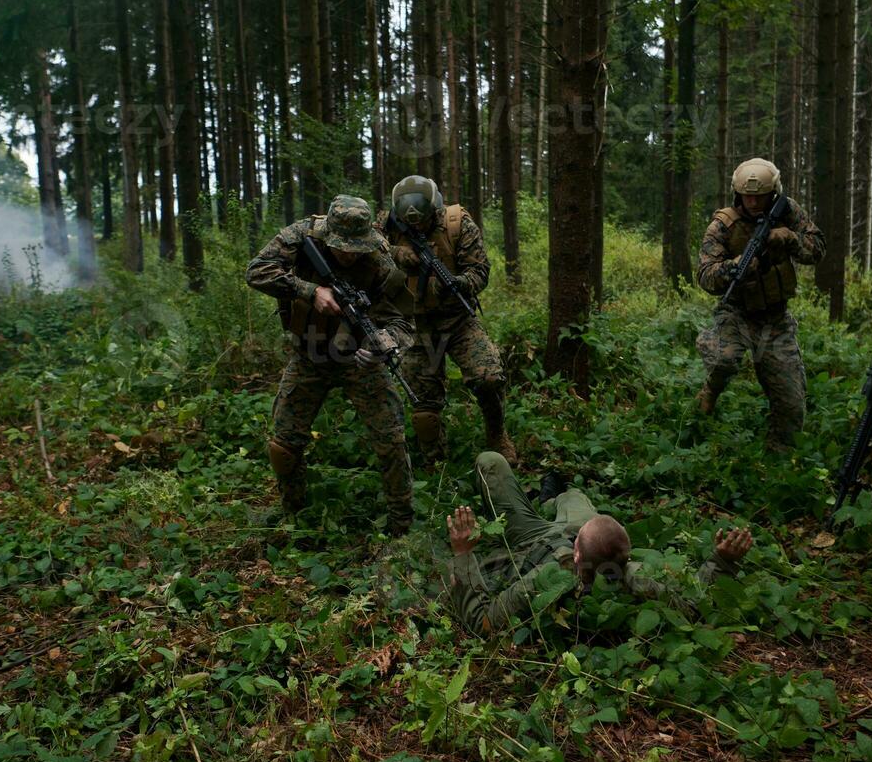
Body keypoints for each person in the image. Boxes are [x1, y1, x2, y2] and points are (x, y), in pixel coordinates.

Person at [245, 195, 416, 536]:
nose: (349, 254)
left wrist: (386, 341)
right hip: (309, 354)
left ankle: (403, 527)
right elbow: (256, 272)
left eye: (356, 248)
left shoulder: (380, 258)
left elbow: (405, 320)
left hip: (359, 359)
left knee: (392, 440)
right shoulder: (300, 236)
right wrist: (309, 291)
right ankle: (295, 518)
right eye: (342, 247)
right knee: (283, 444)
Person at [444, 451, 754, 637]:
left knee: (490, 462)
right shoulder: (635, 579)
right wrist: (722, 561)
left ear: (577, 551)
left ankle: (552, 499)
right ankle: (554, 498)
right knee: (575, 498)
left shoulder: (542, 582)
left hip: (533, 540)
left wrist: (463, 552)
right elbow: (691, 606)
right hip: (574, 531)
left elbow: (482, 624)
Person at [694, 157, 825, 451]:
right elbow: (705, 276)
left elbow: (817, 250)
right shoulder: (722, 226)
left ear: (773, 192)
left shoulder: (788, 211)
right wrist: (735, 267)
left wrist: (791, 239)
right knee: (724, 359)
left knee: (791, 403)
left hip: (775, 320)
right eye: (747, 195)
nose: (753, 202)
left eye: (760, 196)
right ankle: (709, 392)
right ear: (737, 193)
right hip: (736, 313)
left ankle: (779, 462)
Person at [383, 174, 514, 464]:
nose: (416, 226)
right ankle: (436, 465)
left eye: (423, 220)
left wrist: (459, 283)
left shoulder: (457, 223)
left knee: (489, 378)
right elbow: (365, 251)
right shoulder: (386, 225)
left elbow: (481, 271)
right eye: (411, 222)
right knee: (424, 408)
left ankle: (497, 435)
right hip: (415, 326)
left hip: (457, 320)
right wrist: (396, 253)